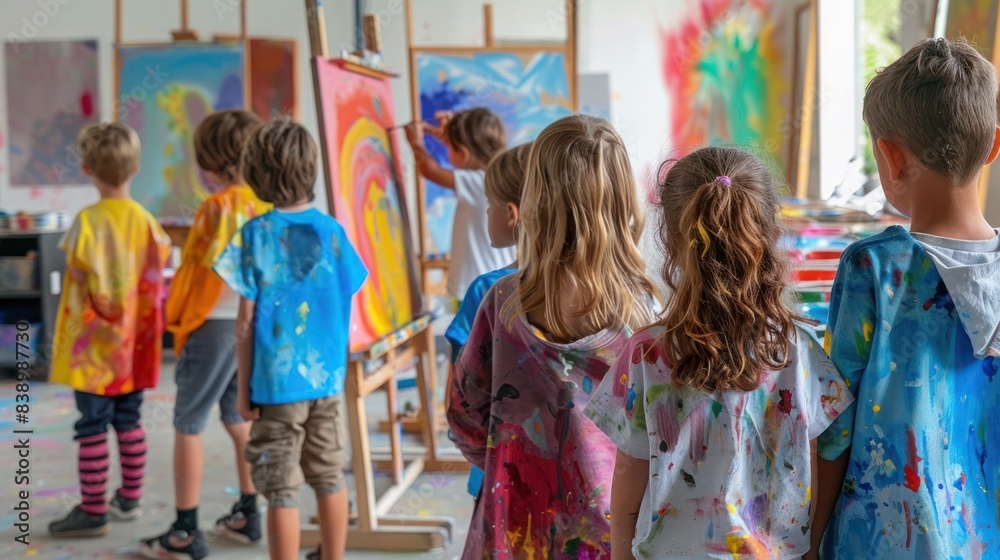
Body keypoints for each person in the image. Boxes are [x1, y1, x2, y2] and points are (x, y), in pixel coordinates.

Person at [585, 146, 853, 560]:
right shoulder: (797, 351)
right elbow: (819, 455)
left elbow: (627, 474)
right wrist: (811, 545)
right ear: (768, 235)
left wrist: (621, 551)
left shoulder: (646, 354)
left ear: (670, 242)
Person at [811, 37, 1000, 560]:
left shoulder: (873, 268)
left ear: (891, 158)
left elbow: (834, 426)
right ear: (992, 147)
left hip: (882, 541)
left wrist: (808, 542)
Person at [447, 115, 659, 559]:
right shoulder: (645, 312)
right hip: (612, 530)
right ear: (623, 201)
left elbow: (464, 417)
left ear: (535, 198)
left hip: (515, 524)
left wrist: (513, 457)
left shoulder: (502, 302)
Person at [214, 118, 367, 560]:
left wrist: (243, 392)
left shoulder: (254, 236)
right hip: (327, 382)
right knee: (329, 475)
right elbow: (347, 301)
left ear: (257, 174)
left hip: (277, 386)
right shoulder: (335, 233)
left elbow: (243, 324)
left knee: (280, 487)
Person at [141, 110, 272, 560]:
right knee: (239, 420)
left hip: (211, 325)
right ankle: (249, 512)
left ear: (212, 162)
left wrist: (177, 318)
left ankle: (184, 530)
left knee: (187, 425)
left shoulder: (216, 208)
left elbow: (196, 275)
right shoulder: (264, 204)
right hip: (249, 328)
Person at [48, 122, 171, 537]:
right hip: (133, 347)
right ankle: (129, 499)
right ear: (135, 167)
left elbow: (79, 277)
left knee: (91, 425)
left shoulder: (86, 222)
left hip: (94, 353)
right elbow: (156, 279)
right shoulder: (147, 221)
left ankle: (94, 510)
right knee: (130, 420)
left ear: (86, 168)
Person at [443, 142, 530, 499]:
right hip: (585, 483)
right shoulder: (609, 289)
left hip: (499, 474)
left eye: (489, 203)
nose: (488, 211)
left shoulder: (487, 291)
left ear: (511, 212)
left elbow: (462, 406)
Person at [405, 108, 515, 302]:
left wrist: (415, 142)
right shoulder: (497, 178)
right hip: (494, 286)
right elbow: (461, 153)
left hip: (478, 289)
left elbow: (431, 171)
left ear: (463, 152)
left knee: (471, 332)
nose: (448, 153)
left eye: (450, 148)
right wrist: (449, 135)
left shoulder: (480, 181)